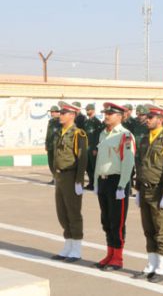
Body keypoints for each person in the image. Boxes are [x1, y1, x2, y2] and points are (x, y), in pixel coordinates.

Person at [134, 105, 163, 283]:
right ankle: (151, 264)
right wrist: (137, 189)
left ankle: (162, 266)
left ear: (160, 119)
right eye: (148, 117)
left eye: (151, 117)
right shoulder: (145, 139)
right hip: (145, 189)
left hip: (158, 190)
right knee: (148, 229)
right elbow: (140, 165)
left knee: (161, 230)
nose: (148, 120)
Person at [93, 103, 135, 271]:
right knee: (106, 220)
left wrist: (122, 185)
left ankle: (118, 258)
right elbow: (99, 161)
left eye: (110, 113)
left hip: (116, 182)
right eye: (105, 113)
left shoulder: (125, 135)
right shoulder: (103, 134)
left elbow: (128, 162)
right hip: (103, 181)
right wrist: (96, 182)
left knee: (117, 222)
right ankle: (110, 253)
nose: (107, 116)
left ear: (120, 116)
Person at [51, 101, 88, 262]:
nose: (61, 115)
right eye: (60, 112)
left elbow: (82, 158)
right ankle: (68, 244)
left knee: (73, 212)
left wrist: (79, 181)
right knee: (62, 212)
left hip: (71, 176)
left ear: (72, 115)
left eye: (64, 113)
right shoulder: (60, 132)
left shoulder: (78, 134)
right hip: (60, 177)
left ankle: (77, 248)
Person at [84, 103, 103, 190]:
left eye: (89, 110)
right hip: (86, 147)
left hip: (93, 148)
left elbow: (98, 136)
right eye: (87, 110)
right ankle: (91, 183)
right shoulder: (86, 122)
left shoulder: (97, 122)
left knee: (95, 166)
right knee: (88, 167)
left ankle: (97, 184)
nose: (88, 111)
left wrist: (96, 148)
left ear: (93, 110)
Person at [45, 105, 61, 185]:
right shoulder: (50, 122)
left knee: (56, 163)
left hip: (57, 146)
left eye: (53, 112)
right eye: (51, 112)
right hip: (50, 145)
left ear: (57, 112)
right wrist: (46, 143)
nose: (52, 114)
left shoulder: (61, 121)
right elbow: (48, 133)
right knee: (50, 163)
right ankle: (54, 177)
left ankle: (58, 179)